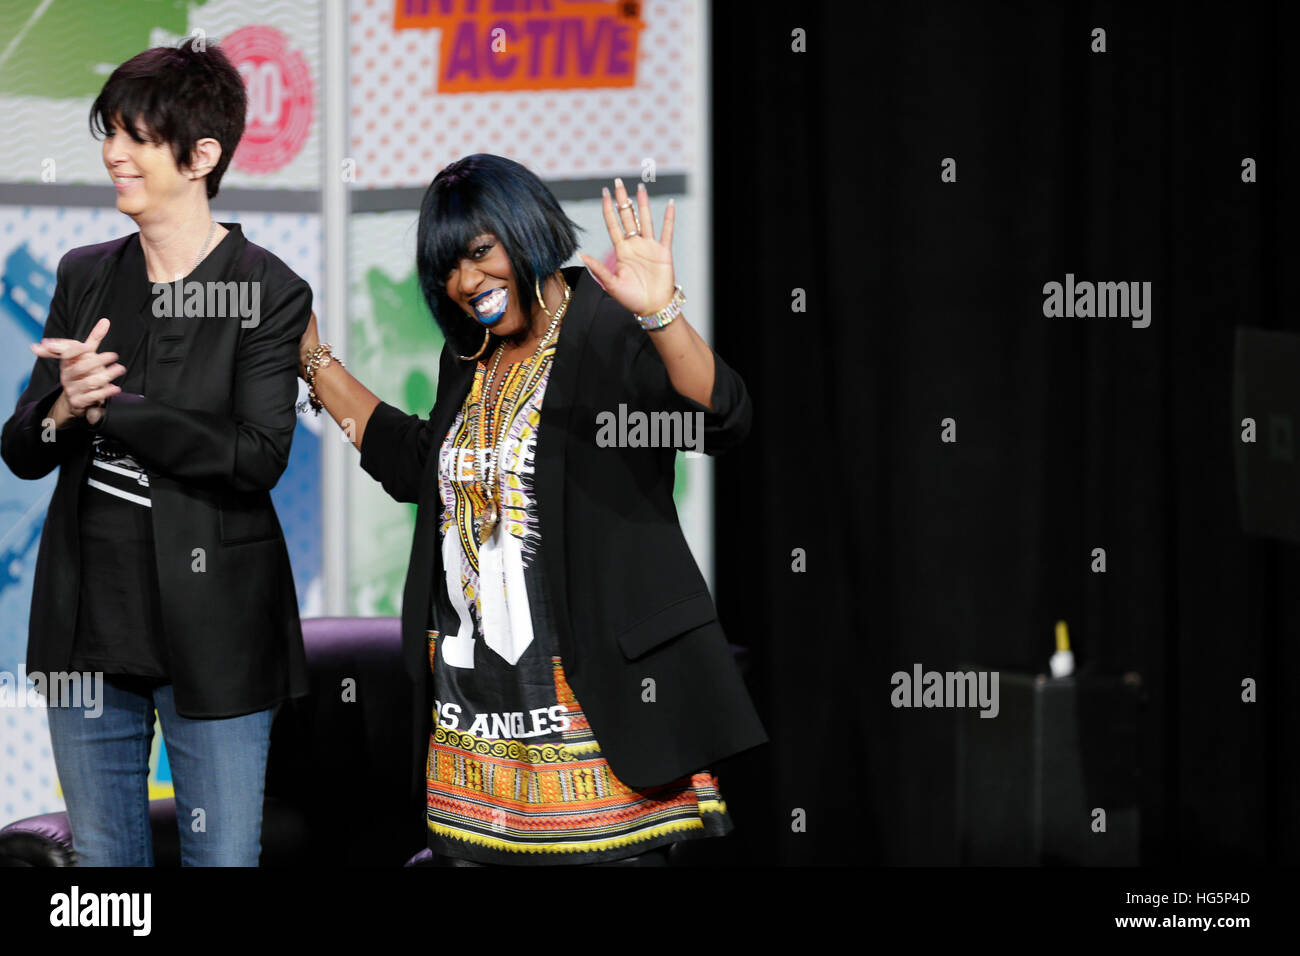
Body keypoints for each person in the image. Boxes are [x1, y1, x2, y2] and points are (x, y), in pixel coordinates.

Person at [298, 153, 767, 865]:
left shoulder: (607, 327)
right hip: (479, 727)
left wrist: (662, 315)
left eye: (481, 252)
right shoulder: (472, 357)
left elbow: (720, 419)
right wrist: (314, 361)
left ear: (526, 230)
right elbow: (418, 467)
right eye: (448, 269)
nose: (466, 282)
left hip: (595, 715)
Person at [0, 39, 312, 866]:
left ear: (202, 155)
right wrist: (63, 405)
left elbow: (255, 456)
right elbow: (22, 448)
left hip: (217, 635)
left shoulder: (268, 289)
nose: (114, 154)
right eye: (111, 133)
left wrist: (116, 410)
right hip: (86, 631)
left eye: (137, 137)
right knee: (105, 872)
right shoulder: (85, 273)